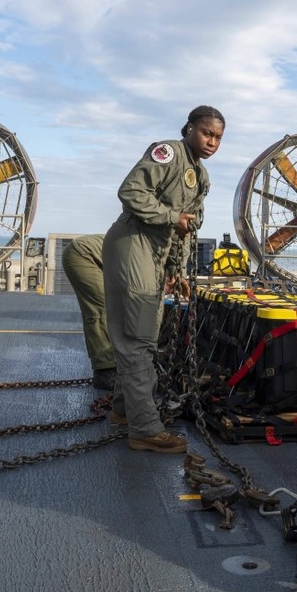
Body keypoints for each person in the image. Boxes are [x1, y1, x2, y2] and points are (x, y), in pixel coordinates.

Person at [102, 105, 225, 454]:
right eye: (206, 133)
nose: (212, 142)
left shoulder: (200, 177)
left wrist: (176, 271)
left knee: (146, 334)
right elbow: (130, 192)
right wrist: (172, 216)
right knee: (137, 339)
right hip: (133, 243)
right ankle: (144, 429)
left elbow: (183, 230)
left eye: (218, 137)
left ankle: (125, 410)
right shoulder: (168, 153)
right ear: (189, 129)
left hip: (156, 253)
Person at [61, 234, 116, 391]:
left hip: (94, 256)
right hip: (82, 254)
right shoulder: (149, 259)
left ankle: (112, 363)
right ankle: (105, 372)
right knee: (101, 310)